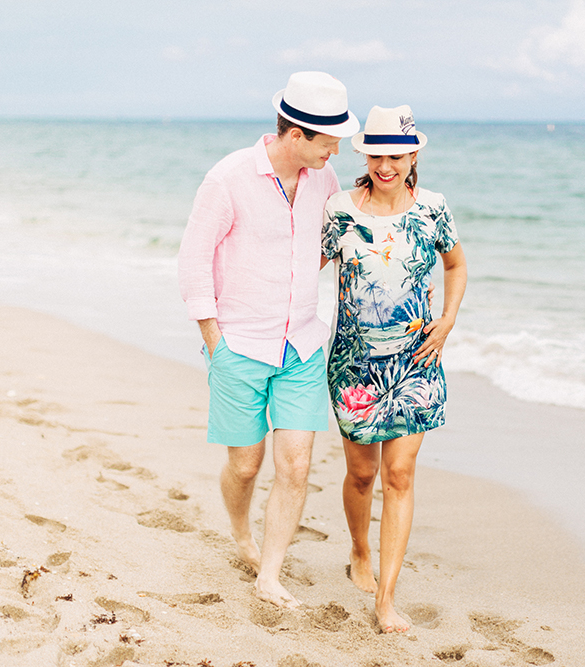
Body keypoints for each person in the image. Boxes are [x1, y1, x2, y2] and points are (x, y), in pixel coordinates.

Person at [178, 71, 359, 609]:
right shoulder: (228, 178)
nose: (336, 151)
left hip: (302, 345)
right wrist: (214, 340)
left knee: (297, 465)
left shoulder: (323, 182)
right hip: (238, 345)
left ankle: (270, 575)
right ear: (298, 134)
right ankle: (241, 535)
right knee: (246, 465)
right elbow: (194, 260)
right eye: (330, 141)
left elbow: (318, 246)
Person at [320, 105, 467, 632]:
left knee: (399, 474)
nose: (386, 165)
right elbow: (302, 268)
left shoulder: (433, 208)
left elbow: (455, 264)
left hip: (415, 361)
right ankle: (359, 549)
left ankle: (386, 599)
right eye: (377, 154)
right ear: (364, 155)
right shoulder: (340, 209)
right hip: (355, 362)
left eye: (397, 155)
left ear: (413, 156)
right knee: (362, 474)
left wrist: (446, 321)